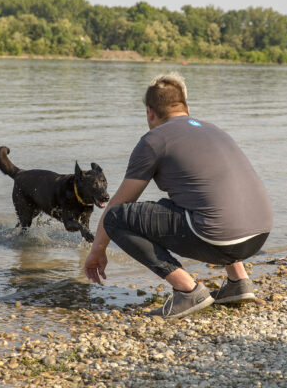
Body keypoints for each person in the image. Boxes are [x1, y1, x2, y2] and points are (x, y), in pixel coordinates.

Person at [83, 72, 273, 318]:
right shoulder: (214, 130)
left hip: (219, 238)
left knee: (116, 218)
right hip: (259, 234)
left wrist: (98, 249)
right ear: (186, 107)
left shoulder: (153, 140)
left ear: (150, 112)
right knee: (194, 200)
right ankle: (239, 281)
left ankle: (187, 290)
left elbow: (119, 205)